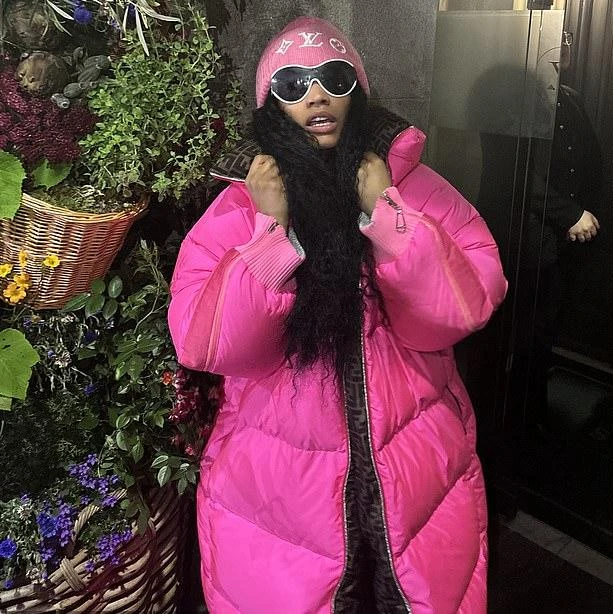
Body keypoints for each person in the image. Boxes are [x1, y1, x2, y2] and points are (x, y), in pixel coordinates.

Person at [168, 16, 507, 614]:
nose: (316, 95)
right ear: (271, 103)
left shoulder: (415, 186)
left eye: (333, 77)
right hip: (280, 487)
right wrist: (269, 232)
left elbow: (464, 304)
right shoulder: (239, 204)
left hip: (415, 466)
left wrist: (387, 211)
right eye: (292, 84)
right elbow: (210, 344)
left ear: (358, 90)